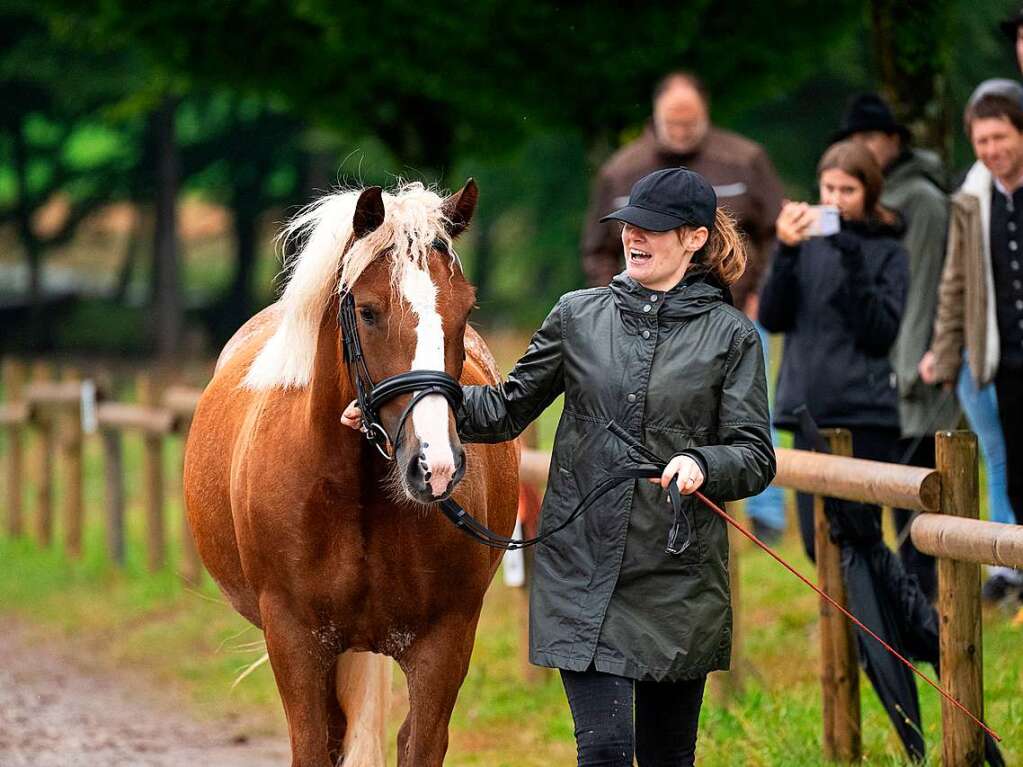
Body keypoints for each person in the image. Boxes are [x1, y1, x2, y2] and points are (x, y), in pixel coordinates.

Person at [344, 168, 776, 766]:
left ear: (695, 239)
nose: (633, 237)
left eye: (652, 229)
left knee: (667, 758)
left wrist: (703, 462)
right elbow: (505, 409)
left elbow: (755, 453)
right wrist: (414, 403)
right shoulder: (578, 315)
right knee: (603, 752)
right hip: (582, 569)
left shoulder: (731, 336)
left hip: (675, 580)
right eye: (628, 226)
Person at [581, 70, 787, 542]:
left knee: (755, 414)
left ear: (706, 113)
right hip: (641, 319)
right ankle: (645, 508)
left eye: (689, 122)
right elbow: (596, 249)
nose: (681, 131)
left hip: (738, 311)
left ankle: (767, 518)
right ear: (654, 116)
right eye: (672, 122)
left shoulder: (745, 159)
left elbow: (777, 233)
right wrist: (614, 303)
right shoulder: (620, 170)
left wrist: (763, 294)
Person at [832, 93, 958, 600]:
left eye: (871, 138)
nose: (862, 147)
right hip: (871, 381)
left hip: (914, 377)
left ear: (894, 141)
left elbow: (925, 291)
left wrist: (906, 370)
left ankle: (928, 612)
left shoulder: (921, 200)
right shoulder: (865, 202)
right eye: (854, 139)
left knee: (922, 509)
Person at [759, 140, 908, 560]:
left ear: (870, 193)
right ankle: (848, 627)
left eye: (848, 191)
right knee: (816, 546)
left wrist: (853, 260)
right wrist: (785, 250)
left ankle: (875, 628)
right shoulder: (802, 245)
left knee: (861, 543)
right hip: (809, 410)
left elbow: (880, 333)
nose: (836, 201)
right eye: (829, 189)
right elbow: (772, 317)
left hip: (865, 412)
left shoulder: (889, 250)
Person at [920, 80, 1023, 600]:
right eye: (982, 141)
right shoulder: (971, 200)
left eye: (1001, 137)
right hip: (1001, 355)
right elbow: (955, 282)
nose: (992, 150)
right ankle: (1012, 566)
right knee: (1008, 459)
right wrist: (943, 352)